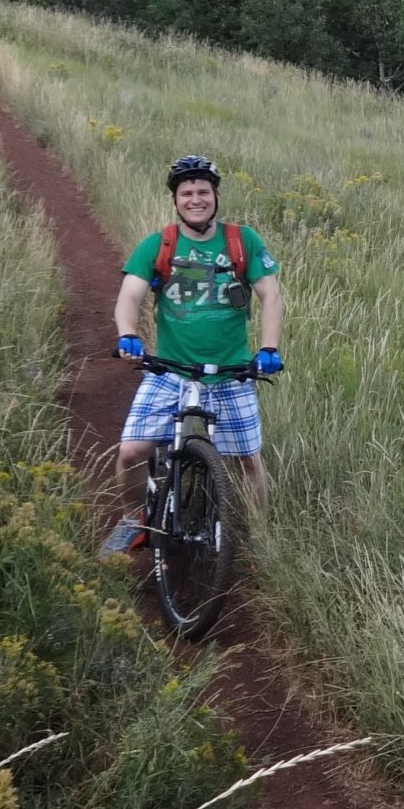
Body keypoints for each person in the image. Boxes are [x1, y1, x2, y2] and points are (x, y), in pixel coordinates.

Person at [111, 154, 283, 536]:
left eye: (203, 191)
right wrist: (128, 334)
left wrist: (269, 348)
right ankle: (131, 521)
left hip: (231, 371)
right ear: (175, 200)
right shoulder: (158, 245)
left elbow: (270, 296)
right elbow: (130, 296)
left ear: (216, 196)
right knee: (130, 452)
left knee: (249, 462)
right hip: (169, 371)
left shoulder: (243, 241)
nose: (195, 199)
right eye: (186, 192)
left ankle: (259, 535)